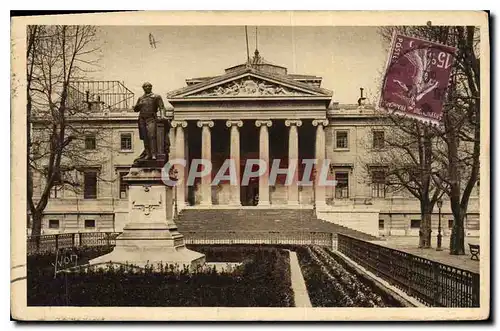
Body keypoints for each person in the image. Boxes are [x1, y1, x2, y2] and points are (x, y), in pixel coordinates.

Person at [133, 82, 167, 161]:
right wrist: (138, 105)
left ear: (151, 87)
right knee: (145, 137)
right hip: (142, 118)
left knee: (152, 136)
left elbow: (162, 107)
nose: (147, 87)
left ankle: (154, 154)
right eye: (146, 86)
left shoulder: (156, 97)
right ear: (143, 88)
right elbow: (136, 110)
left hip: (151, 118)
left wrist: (162, 115)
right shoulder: (141, 98)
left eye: (149, 86)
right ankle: (148, 154)